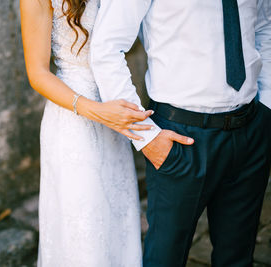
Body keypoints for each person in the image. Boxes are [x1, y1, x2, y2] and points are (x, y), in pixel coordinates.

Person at [90, 0, 271, 266]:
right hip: (180, 137)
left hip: (251, 129)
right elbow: (106, 48)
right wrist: (147, 137)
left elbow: (264, 28)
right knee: (166, 257)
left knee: (238, 256)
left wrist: (267, 106)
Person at [20, 0, 156, 265]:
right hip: (73, 121)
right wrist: (97, 111)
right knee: (85, 226)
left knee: (118, 218)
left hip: (113, 111)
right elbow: (37, 73)